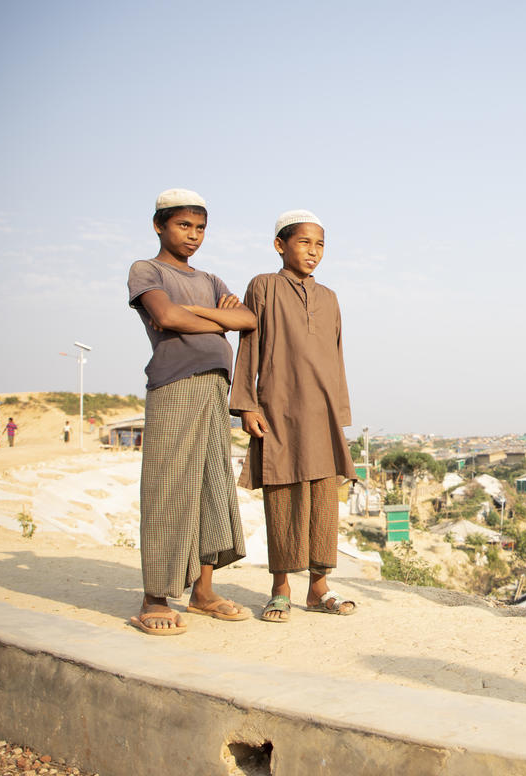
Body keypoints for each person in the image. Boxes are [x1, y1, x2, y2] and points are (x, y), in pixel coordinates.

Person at [126, 188, 257, 635]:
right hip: (174, 386)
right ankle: (155, 597)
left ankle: (203, 592)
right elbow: (166, 318)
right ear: (160, 225)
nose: (193, 236)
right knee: (167, 489)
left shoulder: (211, 280)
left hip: (214, 388)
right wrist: (216, 320)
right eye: (184, 226)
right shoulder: (147, 270)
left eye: (200, 228)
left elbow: (249, 320)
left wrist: (201, 312)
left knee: (209, 487)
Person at [230, 209, 358, 623]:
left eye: (320, 244)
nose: (313, 252)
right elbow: (248, 346)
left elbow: (337, 359)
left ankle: (318, 589)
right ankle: (280, 588)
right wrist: (247, 404)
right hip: (279, 409)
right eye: (304, 242)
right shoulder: (263, 287)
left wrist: (338, 413)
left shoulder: (330, 298)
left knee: (324, 501)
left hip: (322, 414)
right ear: (280, 245)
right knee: (283, 499)